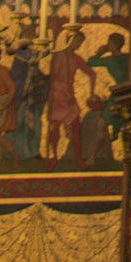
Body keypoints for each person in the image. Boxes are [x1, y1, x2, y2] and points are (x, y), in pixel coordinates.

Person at [46, 28, 91, 164]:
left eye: (81, 43)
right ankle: (54, 156)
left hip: (69, 95)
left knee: (76, 126)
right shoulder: (59, 56)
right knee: (55, 128)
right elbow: (54, 79)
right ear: (70, 39)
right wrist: (64, 93)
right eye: (78, 41)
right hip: (58, 95)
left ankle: (78, 159)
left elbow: (91, 72)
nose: (79, 45)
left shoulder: (76, 58)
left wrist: (92, 91)